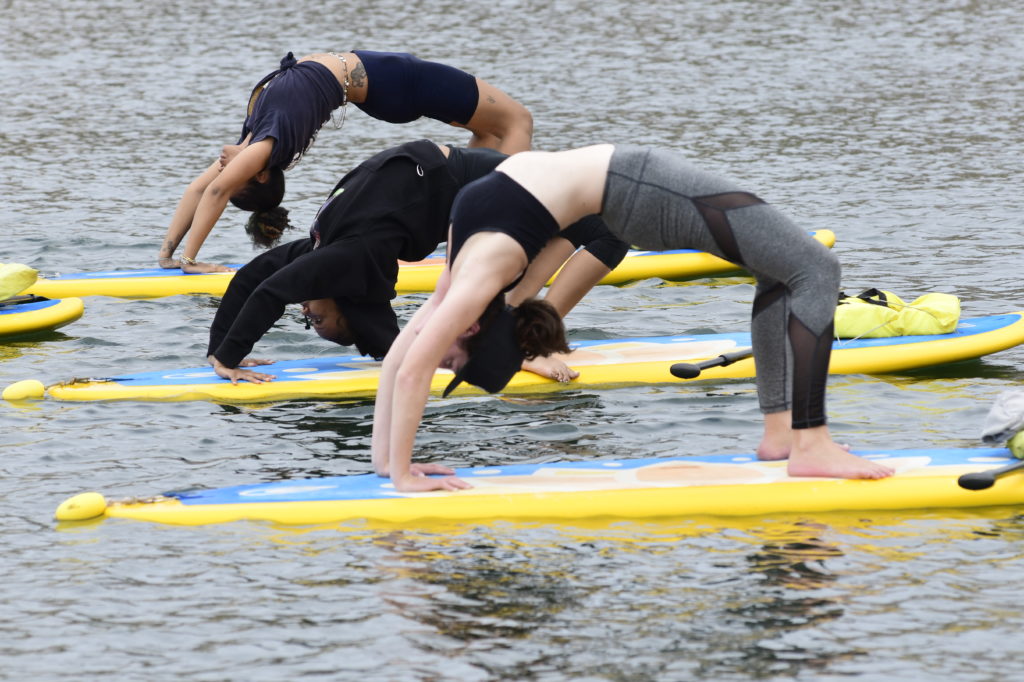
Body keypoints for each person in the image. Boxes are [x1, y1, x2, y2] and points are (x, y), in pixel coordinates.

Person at [371, 144, 897, 492]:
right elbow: (408, 359)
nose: (441, 359)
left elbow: (408, 364)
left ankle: (790, 436)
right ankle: (805, 441)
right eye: (453, 364)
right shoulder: (476, 279)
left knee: (796, 271)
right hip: (634, 190)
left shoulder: (474, 280)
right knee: (814, 267)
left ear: (471, 331)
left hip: (641, 187)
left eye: (452, 362)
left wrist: (395, 472)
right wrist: (392, 469)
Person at [204, 140, 627, 386]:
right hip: (466, 187)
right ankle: (520, 342)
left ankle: (524, 342)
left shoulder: (331, 255)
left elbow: (261, 285)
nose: (305, 311)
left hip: (460, 177)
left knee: (596, 224)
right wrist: (222, 353)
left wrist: (224, 355)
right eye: (315, 321)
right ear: (348, 305)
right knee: (604, 229)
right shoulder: (339, 259)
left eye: (312, 321)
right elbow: (399, 350)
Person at [158, 51, 534, 274]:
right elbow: (218, 191)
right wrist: (192, 260)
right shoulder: (266, 148)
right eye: (232, 170)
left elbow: (201, 187)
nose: (222, 165)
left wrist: (168, 255)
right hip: (398, 82)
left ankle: (474, 231)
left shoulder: (252, 139)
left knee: (487, 137)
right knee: (517, 120)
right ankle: (508, 229)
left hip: (383, 83)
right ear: (257, 175)